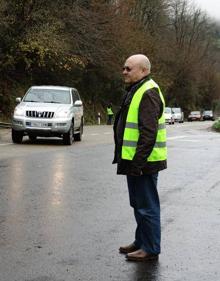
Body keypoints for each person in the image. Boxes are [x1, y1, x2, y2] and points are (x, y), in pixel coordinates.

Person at [113, 54, 167, 262]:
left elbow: (148, 133)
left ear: (144, 70)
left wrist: (137, 163)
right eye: (124, 68)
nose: (124, 71)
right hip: (135, 160)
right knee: (138, 203)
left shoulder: (148, 92)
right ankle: (141, 241)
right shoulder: (137, 89)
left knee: (147, 205)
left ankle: (151, 248)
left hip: (143, 161)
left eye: (129, 68)